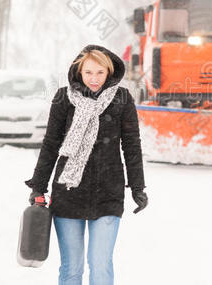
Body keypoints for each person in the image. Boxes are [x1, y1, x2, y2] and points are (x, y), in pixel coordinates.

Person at [25, 44, 148, 285]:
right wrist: (38, 186)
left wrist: (137, 187)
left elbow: (132, 145)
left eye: (100, 73)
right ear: (79, 71)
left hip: (108, 193)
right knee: (72, 268)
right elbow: (51, 143)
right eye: (88, 72)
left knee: (100, 265)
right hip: (68, 193)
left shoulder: (121, 99)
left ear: (109, 72)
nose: (94, 79)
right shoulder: (63, 98)